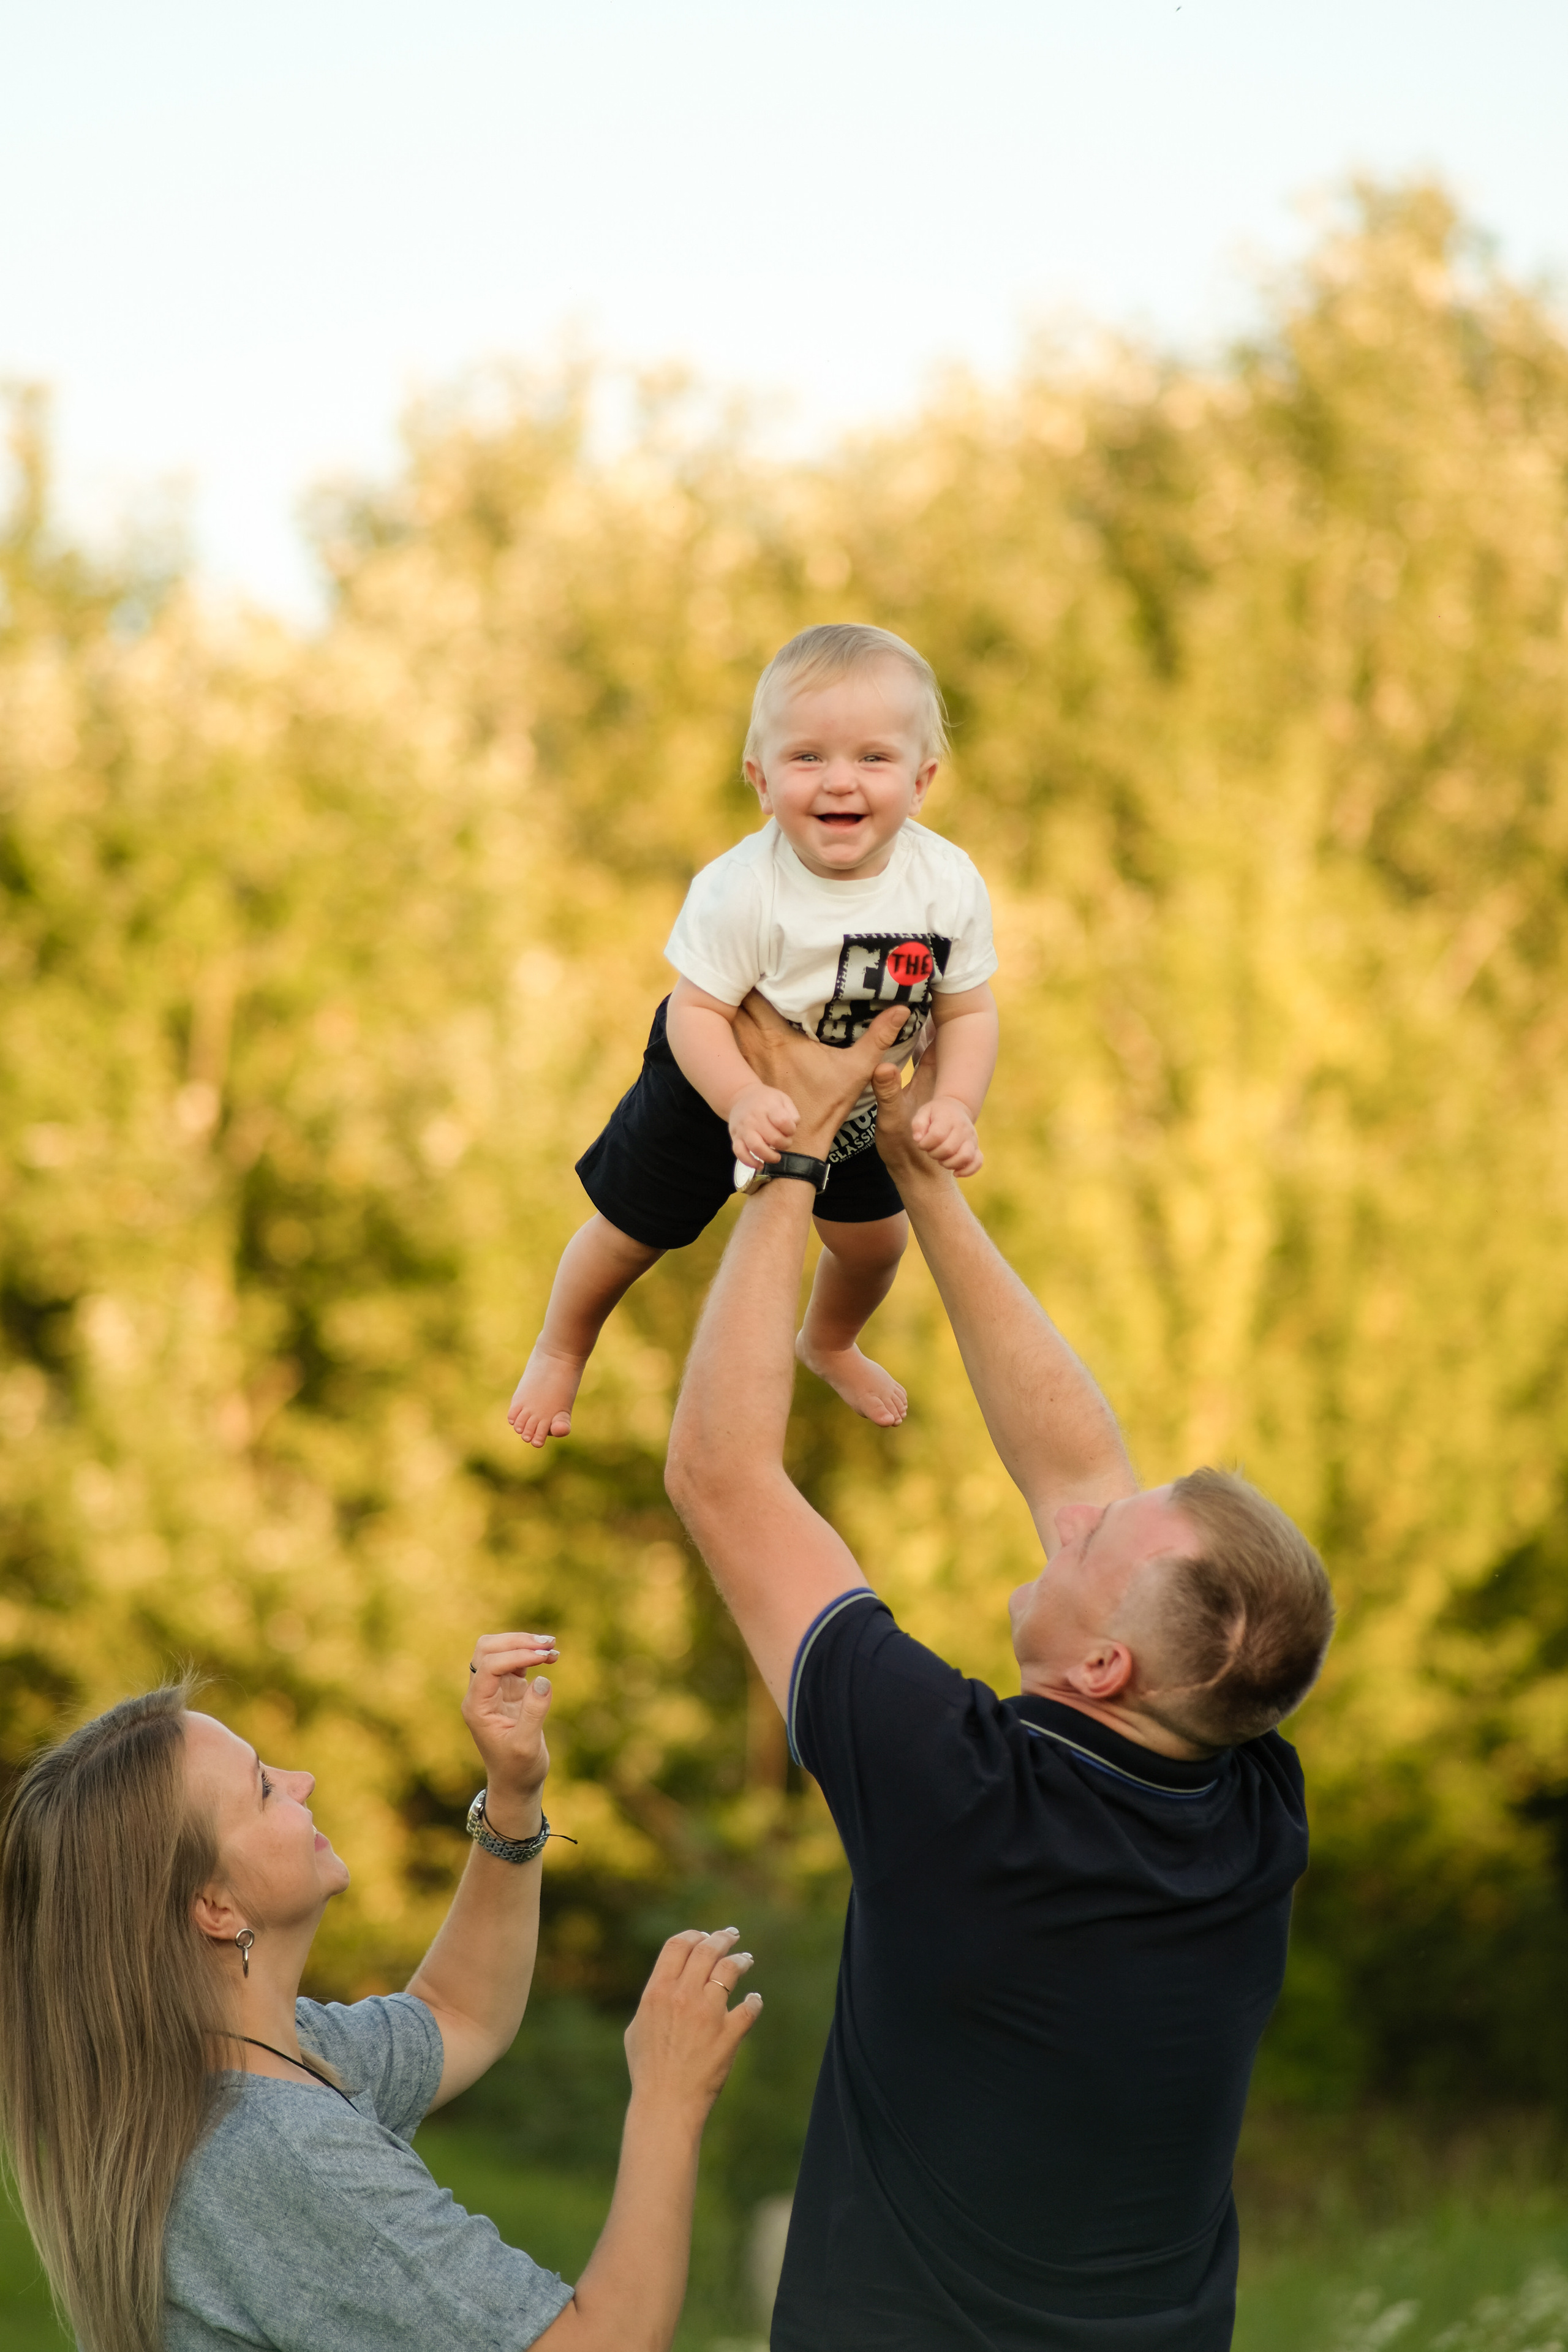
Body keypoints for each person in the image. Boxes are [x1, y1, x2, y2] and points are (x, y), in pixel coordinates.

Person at [664, 999, 1336, 2351]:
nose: (1076, 1513)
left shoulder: (960, 1797)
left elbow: (721, 1478)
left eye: (1100, 1544)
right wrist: (915, 1170)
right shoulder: (1247, 1804)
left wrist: (791, 1157)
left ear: (1103, 1667)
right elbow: (1078, 1468)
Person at [0, 1628, 760, 2352]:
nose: (302, 1782)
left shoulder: (259, 2062)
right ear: (216, 1908)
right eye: (264, 1789)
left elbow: (457, 2015)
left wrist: (513, 1796)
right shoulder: (280, 2155)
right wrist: (670, 2092)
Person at [508, 622, 1000, 1445]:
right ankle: (562, 1348)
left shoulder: (945, 883)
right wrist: (739, 1098)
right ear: (762, 781)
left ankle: (831, 1340)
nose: (839, 782)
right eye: (807, 757)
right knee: (632, 1233)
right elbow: (695, 1012)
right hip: (714, 1080)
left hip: (858, 1104)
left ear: (922, 781)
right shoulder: (744, 888)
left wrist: (953, 1103)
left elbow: (969, 1010)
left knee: (877, 1245)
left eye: (872, 759)